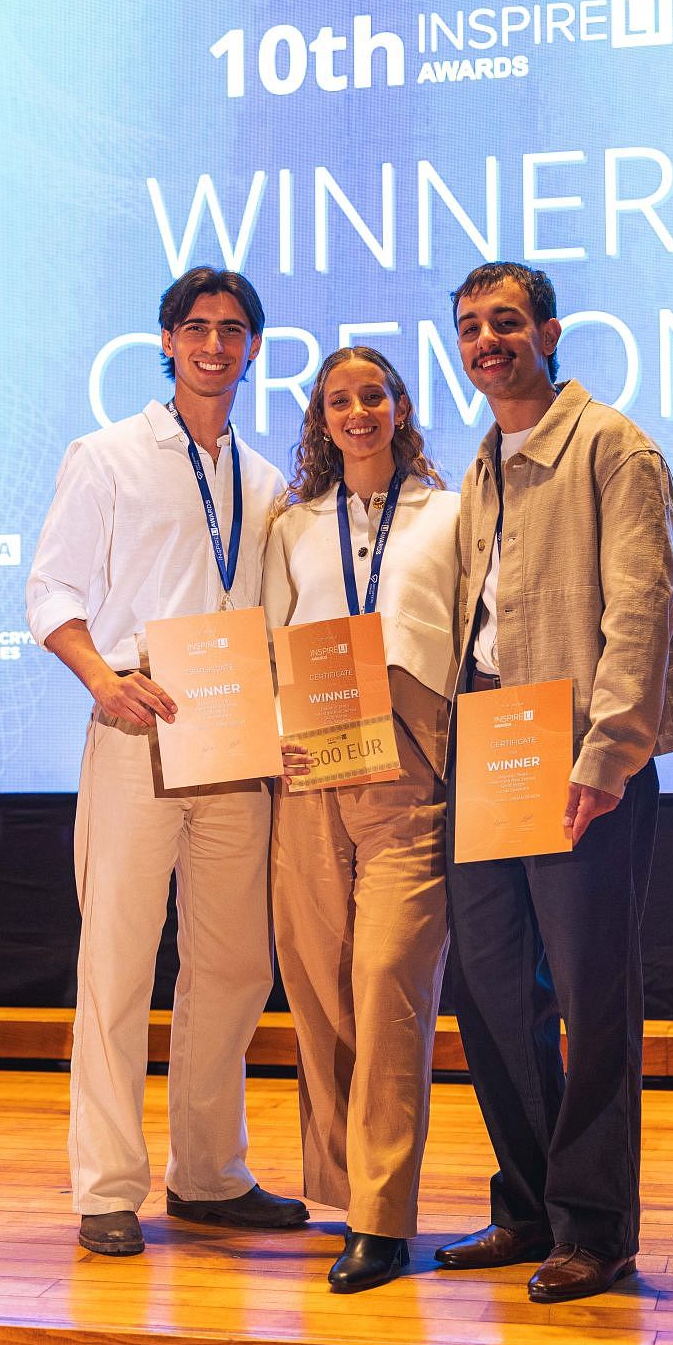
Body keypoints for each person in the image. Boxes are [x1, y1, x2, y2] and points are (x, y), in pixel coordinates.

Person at [26, 266, 307, 1256]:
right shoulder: (105, 455)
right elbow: (51, 591)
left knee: (234, 964)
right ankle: (106, 1187)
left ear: (253, 348)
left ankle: (208, 1173)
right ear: (166, 340)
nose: (213, 345)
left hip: (235, 741)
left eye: (232, 330)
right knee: (116, 961)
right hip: (137, 725)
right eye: (196, 327)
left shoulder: (267, 482)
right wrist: (102, 680)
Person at [435, 262, 673, 1302]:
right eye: (469, 326)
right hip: (487, 745)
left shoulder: (612, 447)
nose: (485, 341)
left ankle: (594, 1228)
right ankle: (527, 1208)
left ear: (548, 333)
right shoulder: (481, 461)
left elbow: (642, 609)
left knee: (591, 1003)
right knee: (490, 989)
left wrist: (609, 753)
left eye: (505, 322)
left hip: (581, 757)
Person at [263, 345, 460, 1294]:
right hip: (311, 765)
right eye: (338, 399)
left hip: (410, 766)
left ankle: (382, 1220)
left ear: (399, 406)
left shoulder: (450, 512)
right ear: (320, 419)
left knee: (387, 984)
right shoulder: (292, 524)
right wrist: (273, 735)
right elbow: (267, 642)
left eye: (372, 395)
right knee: (318, 988)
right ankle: (348, 1197)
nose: (357, 411)